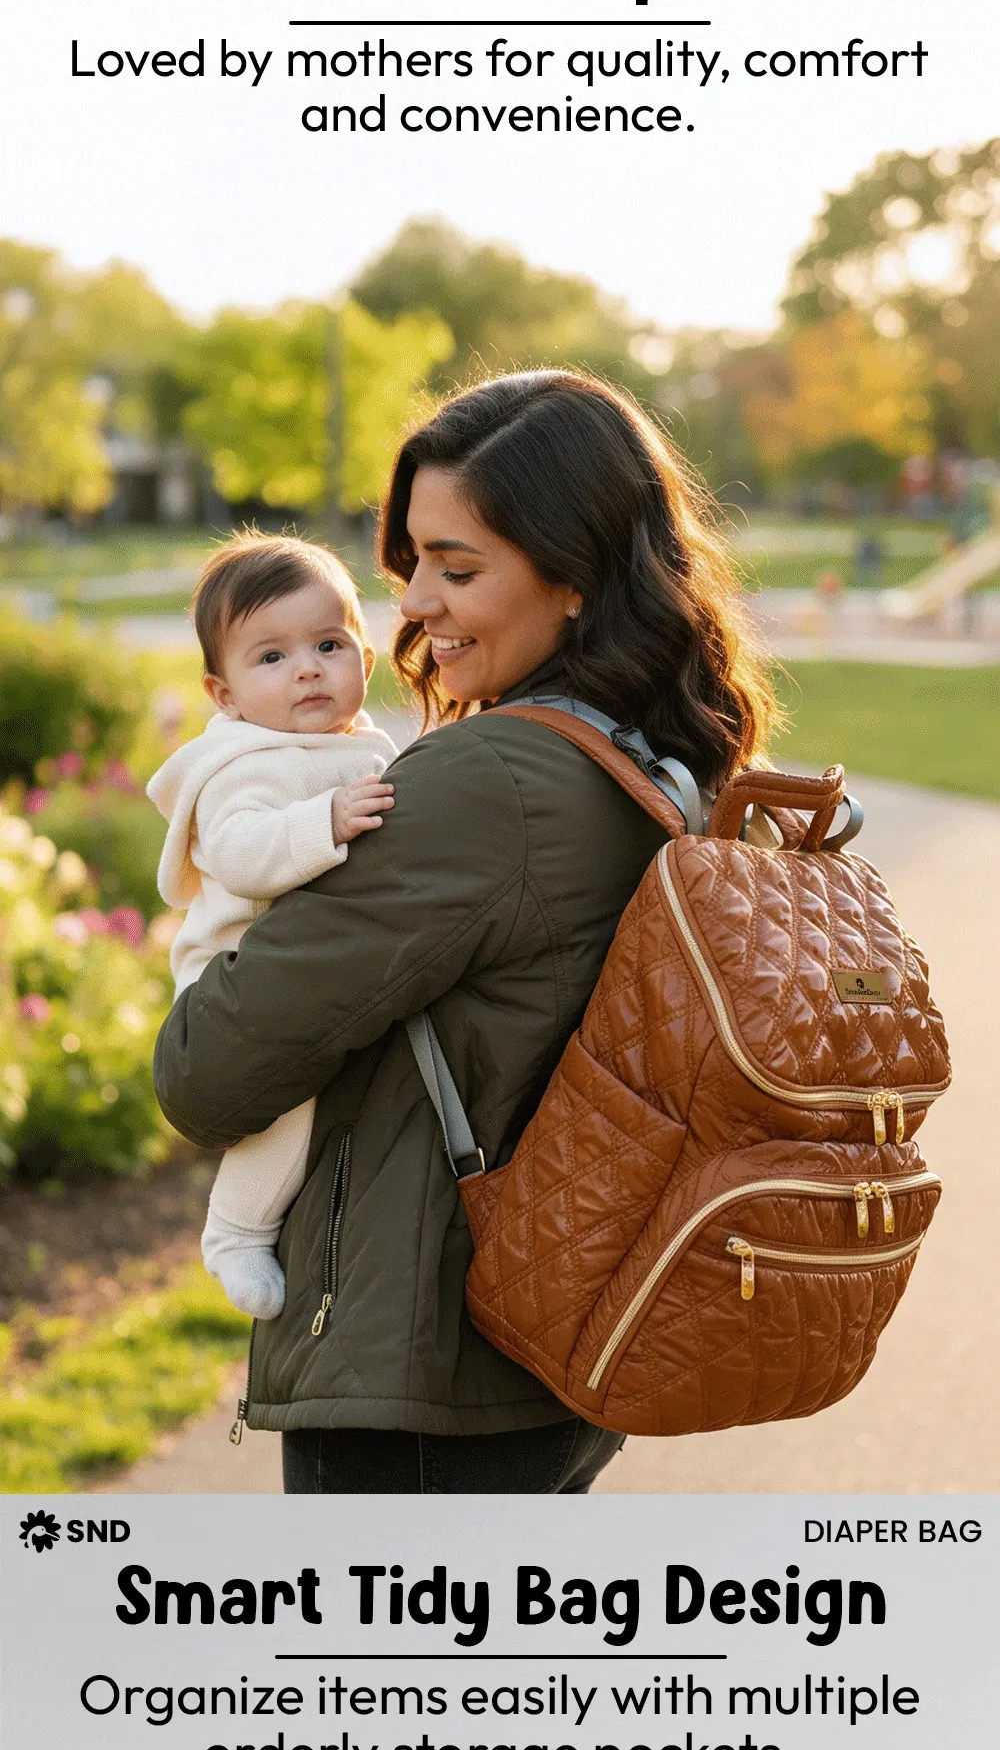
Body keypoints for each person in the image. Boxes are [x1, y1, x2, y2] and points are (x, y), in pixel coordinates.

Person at [153, 369, 773, 1494]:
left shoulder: (490, 782)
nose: (415, 605)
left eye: (459, 566)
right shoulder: (648, 759)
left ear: (574, 577)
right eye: (411, 565)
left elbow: (205, 1070)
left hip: (423, 1371)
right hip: (540, 1345)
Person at [148, 531, 394, 1327]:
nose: (308, 668)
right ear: (224, 696)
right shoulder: (245, 765)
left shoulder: (360, 746)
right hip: (235, 973)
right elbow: (242, 854)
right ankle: (235, 1230)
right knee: (288, 1103)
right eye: (272, 657)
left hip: (314, 967)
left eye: (329, 644)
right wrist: (323, 820)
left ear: (366, 653)